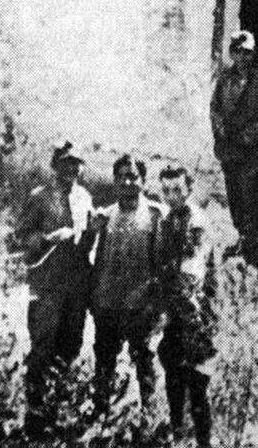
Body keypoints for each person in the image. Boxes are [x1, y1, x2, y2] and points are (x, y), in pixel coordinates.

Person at [17, 140, 95, 437]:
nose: (71, 169)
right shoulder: (40, 197)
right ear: (55, 166)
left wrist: (91, 234)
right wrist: (49, 238)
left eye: (76, 164)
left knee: (70, 347)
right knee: (42, 349)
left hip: (76, 287)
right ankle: (35, 418)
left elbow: (87, 244)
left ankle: (58, 412)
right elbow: (22, 237)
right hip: (47, 286)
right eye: (65, 163)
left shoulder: (85, 197)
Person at [90, 155, 167, 421]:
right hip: (108, 303)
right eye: (121, 176)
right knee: (104, 361)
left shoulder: (156, 215)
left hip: (140, 307)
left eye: (133, 176)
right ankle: (100, 415)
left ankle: (149, 419)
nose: (127, 181)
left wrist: (156, 304)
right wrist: (95, 300)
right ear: (114, 180)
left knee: (144, 361)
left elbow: (161, 264)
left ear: (143, 181)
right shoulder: (105, 216)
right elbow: (95, 258)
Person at [156, 164, 216, 448]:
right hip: (176, 313)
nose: (171, 196)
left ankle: (204, 443)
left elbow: (191, 273)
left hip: (196, 314)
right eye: (166, 190)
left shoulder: (197, 222)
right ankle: (178, 437)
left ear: (189, 190)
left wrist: (168, 311)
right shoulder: (169, 221)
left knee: (197, 383)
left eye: (177, 190)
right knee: (173, 377)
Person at [209, 30, 258, 264]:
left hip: (252, 152)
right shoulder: (224, 81)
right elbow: (215, 110)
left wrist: (249, 135)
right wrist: (221, 132)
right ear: (231, 53)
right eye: (238, 52)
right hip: (230, 150)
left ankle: (254, 247)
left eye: (247, 53)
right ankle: (242, 239)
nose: (242, 57)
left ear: (253, 55)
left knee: (251, 197)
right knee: (235, 197)